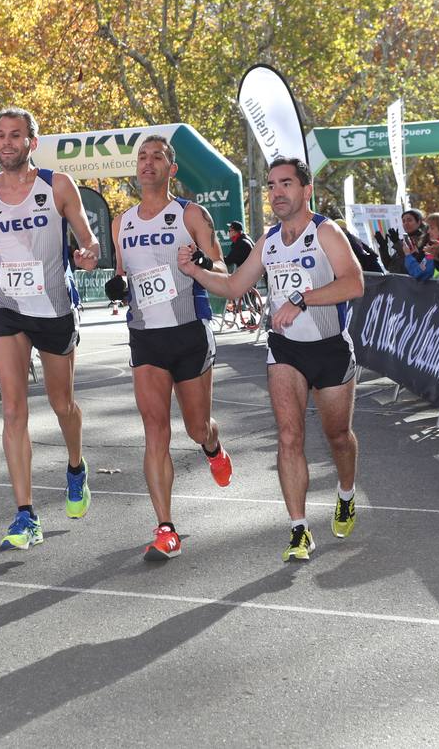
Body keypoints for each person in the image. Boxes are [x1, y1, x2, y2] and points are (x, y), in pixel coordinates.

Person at [178, 156, 364, 563]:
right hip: (286, 349)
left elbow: (354, 284)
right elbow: (233, 286)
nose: (277, 192)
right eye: (272, 185)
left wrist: (302, 299)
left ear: (305, 190)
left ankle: (346, 493)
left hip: (330, 348)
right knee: (289, 436)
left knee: (338, 437)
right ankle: (299, 529)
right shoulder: (270, 240)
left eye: (286, 184)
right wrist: (194, 271)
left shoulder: (326, 232)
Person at [0, 107, 101, 552]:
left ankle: (75, 467)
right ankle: (25, 515)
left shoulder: (57, 186)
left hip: (52, 307)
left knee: (62, 403)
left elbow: (87, 240)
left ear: (32, 142)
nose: (7, 143)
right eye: (0, 136)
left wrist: (87, 253)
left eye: (16, 135)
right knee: (14, 410)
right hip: (5, 305)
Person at [105, 135, 233, 561]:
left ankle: (213, 447)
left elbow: (221, 267)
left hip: (189, 332)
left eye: (157, 156)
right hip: (146, 337)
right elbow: (124, 275)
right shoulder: (121, 222)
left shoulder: (189, 213)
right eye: (141, 156)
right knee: (155, 430)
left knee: (196, 428)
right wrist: (119, 285)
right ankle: (165, 527)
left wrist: (197, 263)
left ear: (171, 169)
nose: (147, 162)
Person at [223, 220, 263, 329]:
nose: (228, 232)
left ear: (236, 232)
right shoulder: (244, 239)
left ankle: (260, 318)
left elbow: (231, 259)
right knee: (251, 298)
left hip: (249, 273)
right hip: (253, 272)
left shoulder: (240, 243)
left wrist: (219, 259)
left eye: (230, 230)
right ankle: (257, 318)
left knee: (249, 298)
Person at [374, 208, 425, 274]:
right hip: (396, 281)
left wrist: (397, 242)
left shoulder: (424, 241)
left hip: (411, 282)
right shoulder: (403, 241)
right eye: (403, 221)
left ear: (419, 222)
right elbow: (389, 266)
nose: (406, 223)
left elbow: (414, 262)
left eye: (409, 220)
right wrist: (383, 247)